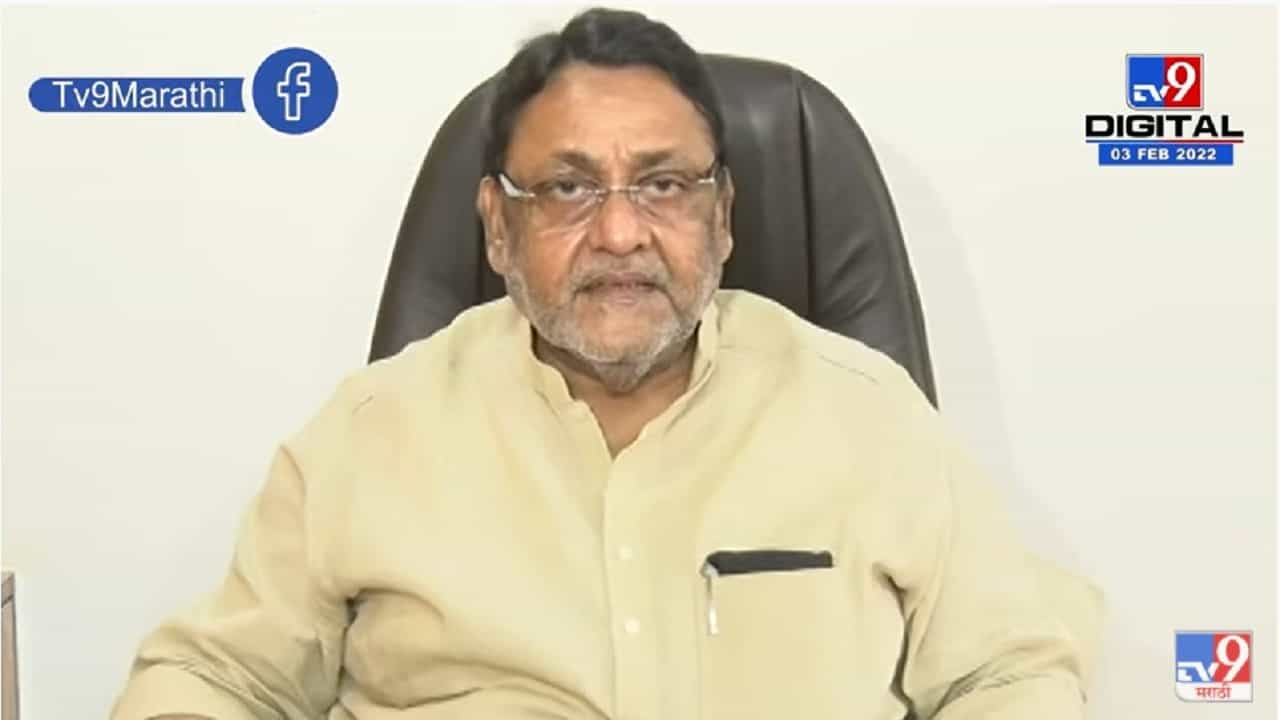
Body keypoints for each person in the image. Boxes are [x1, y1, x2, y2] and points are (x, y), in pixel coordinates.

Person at [112, 7, 1100, 720]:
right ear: (497, 225)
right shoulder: (371, 433)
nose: (621, 233)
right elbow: (212, 678)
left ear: (721, 216)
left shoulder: (867, 415)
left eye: (663, 185)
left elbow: (1010, 672)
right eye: (568, 189)